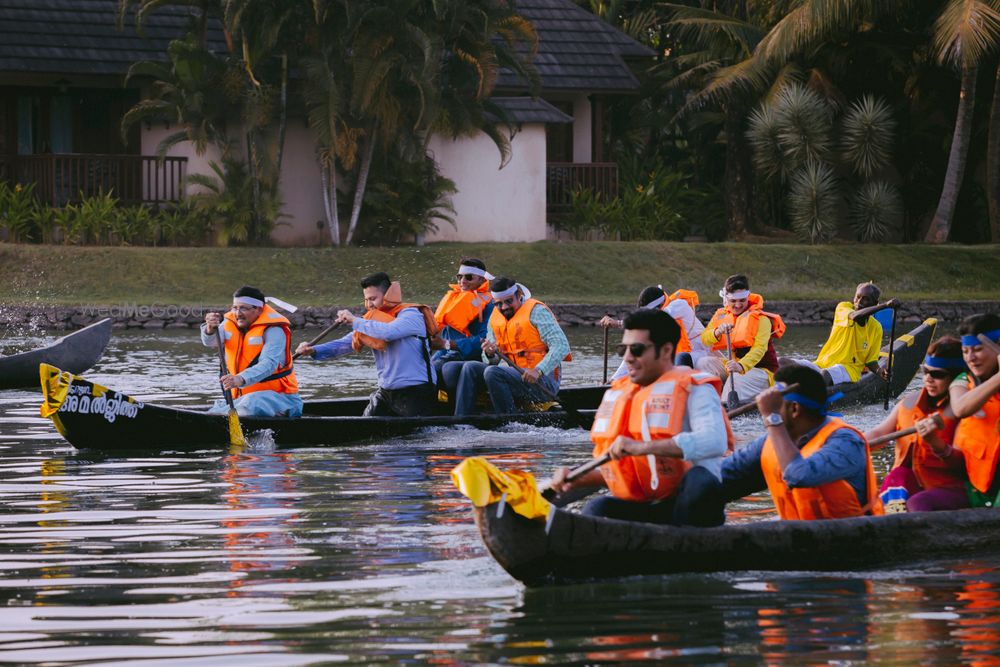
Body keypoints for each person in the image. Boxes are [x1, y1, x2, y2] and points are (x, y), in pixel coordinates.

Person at [547, 308, 733, 527]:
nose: (627, 358)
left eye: (636, 349)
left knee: (699, 480)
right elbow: (617, 469)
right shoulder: (619, 395)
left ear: (665, 351)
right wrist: (578, 478)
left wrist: (642, 447)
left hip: (690, 504)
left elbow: (714, 441)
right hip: (646, 506)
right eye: (623, 349)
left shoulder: (696, 389)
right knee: (597, 508)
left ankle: (687, 548)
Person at [720, 364, 882, 520]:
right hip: (797, 538)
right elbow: (726, 474)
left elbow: (798, 475)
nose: (767, 412)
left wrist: (772, 418)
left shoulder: (845, 442)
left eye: (776, 406)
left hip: (848, 540)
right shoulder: (773, 441)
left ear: (795, 409)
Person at [294, 272, 438, 417]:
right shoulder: (371, 322)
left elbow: (389, 332)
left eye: (373, 299)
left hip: (416, 391)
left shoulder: (412, 315)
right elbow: (345, 344)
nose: (369, 305)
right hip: (386, 392)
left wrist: (354, 320)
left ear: (388, 294)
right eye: (366, 300)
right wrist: (313, 350)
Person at [866, 336, 968, 513]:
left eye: (937, 375)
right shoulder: (907, 404)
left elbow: (965, 465)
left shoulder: (964, 409)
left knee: (918, 503)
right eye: (926, 371)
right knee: (895, 477)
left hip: (949, 487)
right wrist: (854, 444)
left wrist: (935, 443)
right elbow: (878, 434)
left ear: (955, 377)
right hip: (912, 484)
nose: (928, 379)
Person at [449, 277, 571, 416]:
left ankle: (509, 422)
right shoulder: (495, 318)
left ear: (519, 296)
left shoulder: (537, 311)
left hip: (542, 382)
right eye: (499, 304)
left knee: (493, 373)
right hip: (515, 378)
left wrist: (538, 370)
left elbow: (561, 346)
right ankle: (462, 420)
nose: (504, 307)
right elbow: (490, 361)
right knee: (469, 367)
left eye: (509, 301)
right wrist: (489, 353)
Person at [202, 285, 303, 418]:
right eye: (235, 308)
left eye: (243, 308)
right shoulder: (229, 323)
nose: (238, 313)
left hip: (282, 401)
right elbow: (210, 342)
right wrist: (209, 329)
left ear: (259, 309)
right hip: (242, 401)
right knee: (219, 408)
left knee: (251, 402)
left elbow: (269, 364)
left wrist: (240, 378)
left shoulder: (274, 330)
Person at [784, 282, 893, 385]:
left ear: (874, 304)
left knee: (824, 375)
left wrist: (880, 371)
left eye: (865, 300)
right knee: (783, 363)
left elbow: (871, 361)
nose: (859, 302)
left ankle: (802, 398)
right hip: (822, 364)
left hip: (849, 369)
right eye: (857, 297)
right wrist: (885, 306)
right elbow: (855, 316)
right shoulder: (843, 307)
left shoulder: (876, 328)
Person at [697, 274, 786, 401]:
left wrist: (741, 366)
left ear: (748, 297)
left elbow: (759, 350)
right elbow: (704, 339)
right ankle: (708, 400)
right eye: (733, 301)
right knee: (704, 362)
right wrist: (717, 332)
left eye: (742, 301)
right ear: (727, 300)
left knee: (737, 376)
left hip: (762, 371)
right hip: (735, 367)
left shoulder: (762, 319)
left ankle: (724, 405)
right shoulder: (721, 316)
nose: (738, 305)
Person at [600, 285, 717, 378]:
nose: (648, 315)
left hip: (700, 353)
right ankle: (613, 381)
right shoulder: (657, 317)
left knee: (680, 358)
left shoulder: (679, 305)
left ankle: (679, 387)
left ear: (660, 304)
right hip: (676, 354)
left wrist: (617, 323)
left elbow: (655, 318)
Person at [949, 313, 1000, 508]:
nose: (970, 358)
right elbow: (961, 408)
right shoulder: (962, 380)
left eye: (977, 350)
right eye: (965, 350)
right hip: (974, 482)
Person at [432, 258, 495, 396]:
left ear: (482, 280)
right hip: (451, 353)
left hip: (476, 357)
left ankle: (445, 407)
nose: (462, 281)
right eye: (459, 277)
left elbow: (484, 340)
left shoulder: (490, 305)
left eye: (469, 277)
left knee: (440, 368)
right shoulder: (455, 300)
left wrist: (447, 345)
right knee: (424, 367)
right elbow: (445, 341)